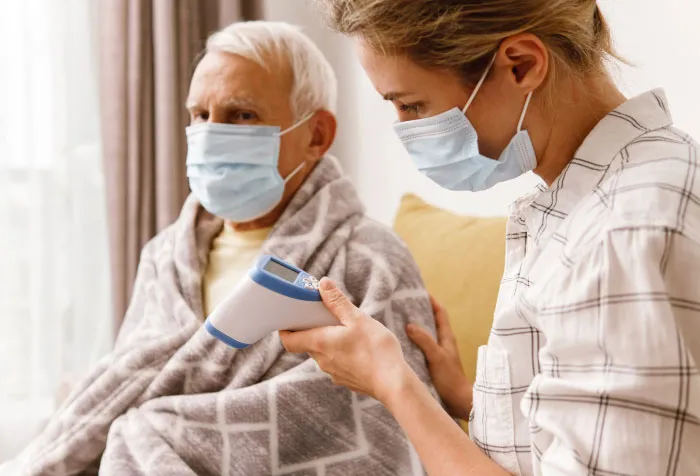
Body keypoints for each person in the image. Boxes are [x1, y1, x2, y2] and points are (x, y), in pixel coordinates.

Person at [281, 1, 700, 475]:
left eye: (413, 104)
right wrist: (467, 395)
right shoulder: (594, 197)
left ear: (521, 64)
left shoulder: (621, 233)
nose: (405, 129)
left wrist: (394, 384)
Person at [6, 21, 436, 475]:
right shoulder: (164, 258)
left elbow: (387, 429)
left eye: (241, 115)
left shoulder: (370, 257)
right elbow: (131, 381)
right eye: (200, 115)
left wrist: (163, 430)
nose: (211, 133)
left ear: (316, 136)